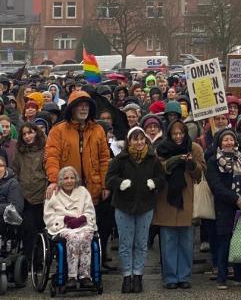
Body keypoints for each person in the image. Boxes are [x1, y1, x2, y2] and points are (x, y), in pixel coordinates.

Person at [45, 89, 113, 268]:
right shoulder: (57, 131)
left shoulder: (98, 130)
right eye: (80, 106)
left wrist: (106, 184)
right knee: (71, 229)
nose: (83, 109)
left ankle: (96, 262)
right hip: (68, 191)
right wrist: (54, 180)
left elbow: (104, 159)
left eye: (86, 106)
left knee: (96, 227)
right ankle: (70, 266)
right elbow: (52, 157)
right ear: (72, 108)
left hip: (94, 190)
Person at [106, 126, 166, 293]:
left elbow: (162, 178)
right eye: (135, 139)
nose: (139, 142)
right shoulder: (121, 159)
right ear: (129, 141)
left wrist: (155, 183)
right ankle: (127, 276)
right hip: (123, 206)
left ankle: (138, 276)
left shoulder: (152, 159)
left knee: (141, 243)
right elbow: (109, 179)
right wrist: (119, 183)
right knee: (125, 243)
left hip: (145, 206)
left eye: (141, 139)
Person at [153, 119, 205, 289]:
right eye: (174, 133)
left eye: (181, 133)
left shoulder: (194, 148)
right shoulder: (161, 148)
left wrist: (190, 164)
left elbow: (201, 172)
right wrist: (172, 161)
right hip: (166, 198)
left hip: (187, 197)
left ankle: (184, 276)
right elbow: (156, 169)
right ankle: (169, 277)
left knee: (186, 241)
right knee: (168, 241)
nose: (178, 136)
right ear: (169, 133)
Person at [205, 128, 241, 289]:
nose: (229, 142)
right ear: (220, 143)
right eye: (225, 140)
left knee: (240, 240)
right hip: (224, 206)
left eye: (231, 139)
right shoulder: (213, 161)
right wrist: (235, 199)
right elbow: (216, 186)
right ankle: (222, 276)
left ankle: (240, 275)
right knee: (224, 241)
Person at [44, 166, 97, 288]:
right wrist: (64, 220)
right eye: (66, 178)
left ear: (76, 179)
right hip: (63, 228)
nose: (69, 181)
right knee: (73, 237)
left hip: (83, 225)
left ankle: (85, 276)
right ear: (60, 180)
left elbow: (90, 211)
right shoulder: (53, 193)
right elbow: (48, 216)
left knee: (86, 236)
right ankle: (72, 276)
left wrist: (82, 219)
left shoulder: (83, 191)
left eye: (72, 178)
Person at [11, 121, 46, 260]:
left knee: (41, 228)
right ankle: (27, 260)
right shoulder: (20, 152)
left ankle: (39, 259)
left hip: (42, 195)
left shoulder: (45, 149)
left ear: (36, 132)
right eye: (24, 134)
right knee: (28, 229)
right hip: (25, 196)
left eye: (30, 132)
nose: (27, 136)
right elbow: (15, 171)